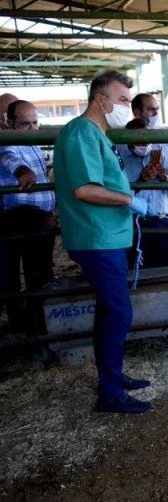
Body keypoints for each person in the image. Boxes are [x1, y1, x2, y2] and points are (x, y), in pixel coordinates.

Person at [53, 70, 152, 414]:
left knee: (112, 311)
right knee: (118, 311)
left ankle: (112, 377)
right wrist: (129, 201)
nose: (129, 107)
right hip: (96, 235)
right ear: (101, 99)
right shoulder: (82, 132)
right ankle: (109, 393)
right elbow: (85, 189)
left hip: (106, 234)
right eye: (123, 100)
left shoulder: (96, 133)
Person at [0, 100, 56, 333]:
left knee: (40, 271)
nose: (32, 129)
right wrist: (22, 171)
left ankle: (39, 322)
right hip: (18, 217)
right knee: (15, 273)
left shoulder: (32, 140)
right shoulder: (6, 140)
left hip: (41, 216)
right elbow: (9, 157)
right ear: (9, 123)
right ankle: (25, 324)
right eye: (24, 124)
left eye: (35, 122)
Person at [118, 118, 168, 268]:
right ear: (129, 141)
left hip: (162, 217)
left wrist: (164, 178)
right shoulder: (120, 158)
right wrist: (141, 180)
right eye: (140, 141)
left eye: (147, 139)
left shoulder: (159, 152)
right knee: (139, 266)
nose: (145, 144)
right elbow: (118, 194)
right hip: (135, 222)